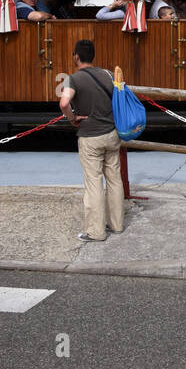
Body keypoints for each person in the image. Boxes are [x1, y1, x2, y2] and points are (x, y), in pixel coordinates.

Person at [58, 39, 124, 242]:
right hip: (112, 135)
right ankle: (117, 225)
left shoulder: (74, 79)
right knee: (114, 179)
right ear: (93, 56)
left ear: (76, 57)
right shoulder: (108, 74)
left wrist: (72, 118)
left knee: (94, 182)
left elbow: (64, 102)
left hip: (90, 137)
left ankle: (96, 231)